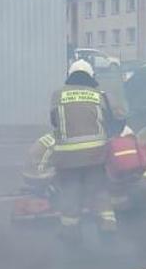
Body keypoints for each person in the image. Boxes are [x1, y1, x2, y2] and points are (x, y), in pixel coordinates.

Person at [50, 59, 121, 240]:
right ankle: (108, 225)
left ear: (70, 76)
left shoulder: (57, 95)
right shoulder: (100, 95)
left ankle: (70, 231)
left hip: (67, 157)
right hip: (95, 155)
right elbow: (118, 120)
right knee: (99, 190)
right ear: (91, 76)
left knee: (71, 192)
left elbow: (54, 121)